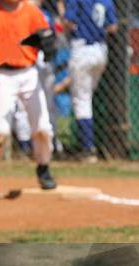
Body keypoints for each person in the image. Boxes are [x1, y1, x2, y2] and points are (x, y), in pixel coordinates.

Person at [0, 0, 57, 201]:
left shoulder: (31, 12)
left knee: (42, 127)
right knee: (1, 131)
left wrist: (49, 45)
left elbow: (47, 39)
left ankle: (43, 168)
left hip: (29, 74)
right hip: (4, 76)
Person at [63, 0, 118, 163]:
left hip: (82, 49)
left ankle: (88, 148)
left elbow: (69, 21)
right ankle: (89, 145)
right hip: (101, 51)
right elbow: (113, 27)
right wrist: (97, 29)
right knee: (87, 97)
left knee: (82, 100)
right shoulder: (107, 0)